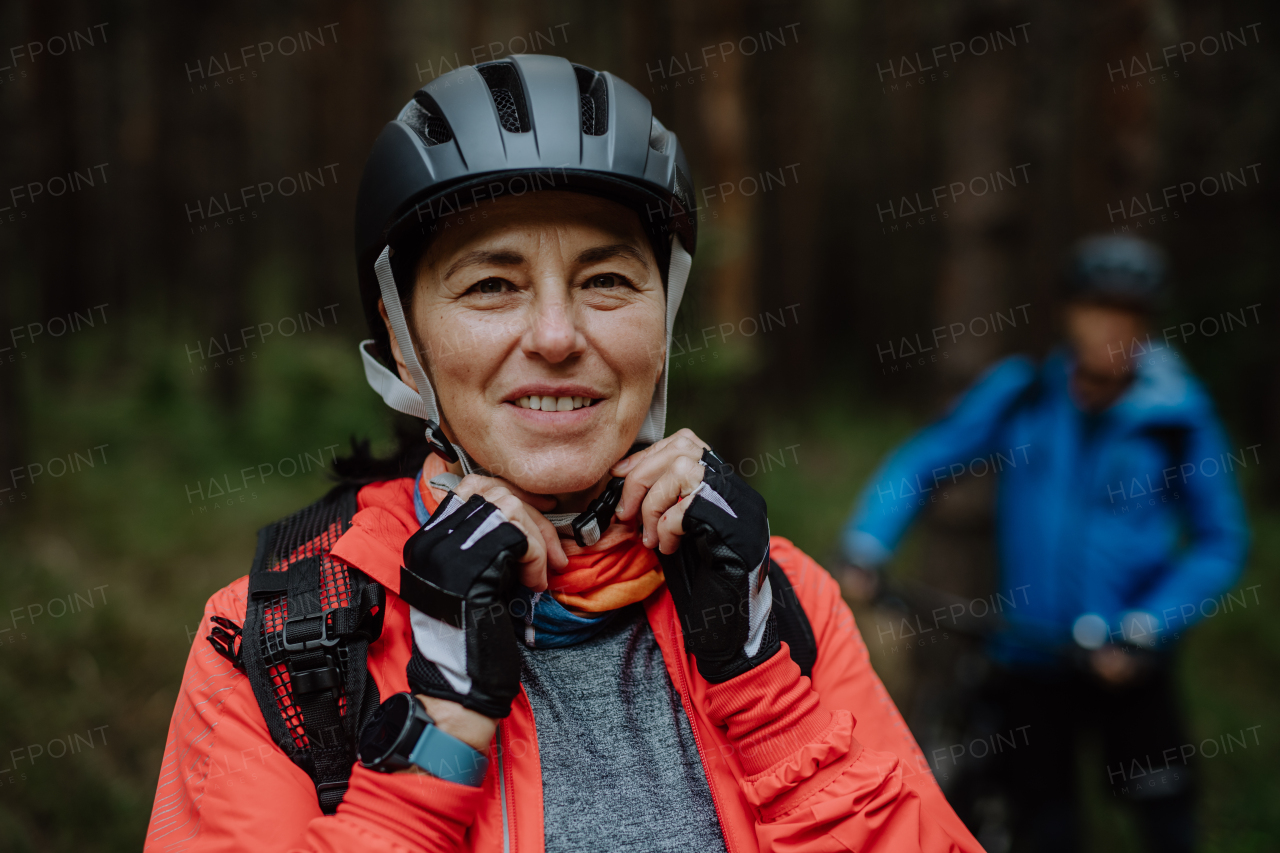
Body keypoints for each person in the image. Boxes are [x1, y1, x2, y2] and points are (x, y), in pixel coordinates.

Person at [145, 55, 982, 852]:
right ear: (404, 345)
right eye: (491, 284)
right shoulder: (290, 634)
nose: (556, 336)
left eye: (607, 280)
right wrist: (431, 746)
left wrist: (764, 694)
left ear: (662, 322)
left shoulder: (785, 597)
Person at [837, 235, 1249, 853]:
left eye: (1129, 312)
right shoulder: (1024, 394)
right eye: (1096, 307)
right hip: (1031, 657)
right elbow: (922, 462)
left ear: (1147, 323)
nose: (1111, 325)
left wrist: (1148, 625)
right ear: (1069, 313)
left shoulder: (1179, 419)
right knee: (1042, 823)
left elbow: (1220, 542)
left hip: (1130, 661)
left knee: (1165, 820)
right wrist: (867, 544)